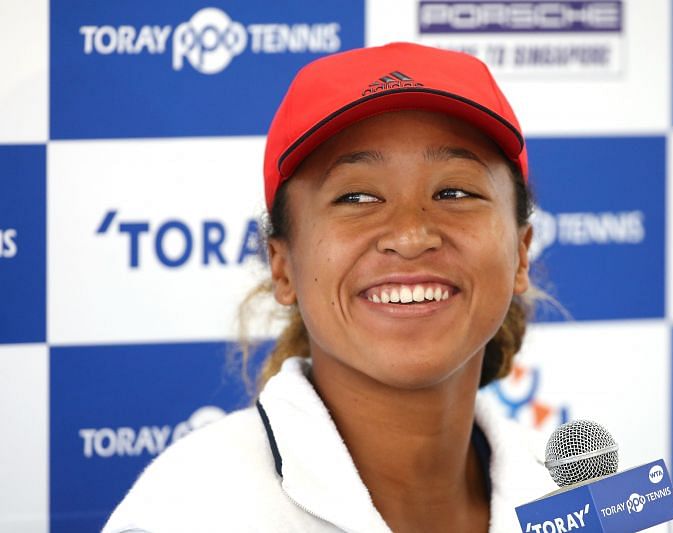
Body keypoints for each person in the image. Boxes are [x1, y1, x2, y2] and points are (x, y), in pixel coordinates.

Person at [103, 41, 554, 533]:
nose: (410, 236)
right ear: (283, 268)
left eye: (454, 192)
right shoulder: (188, 511)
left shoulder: (584, 498)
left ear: (521, 252)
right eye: (357, 196)